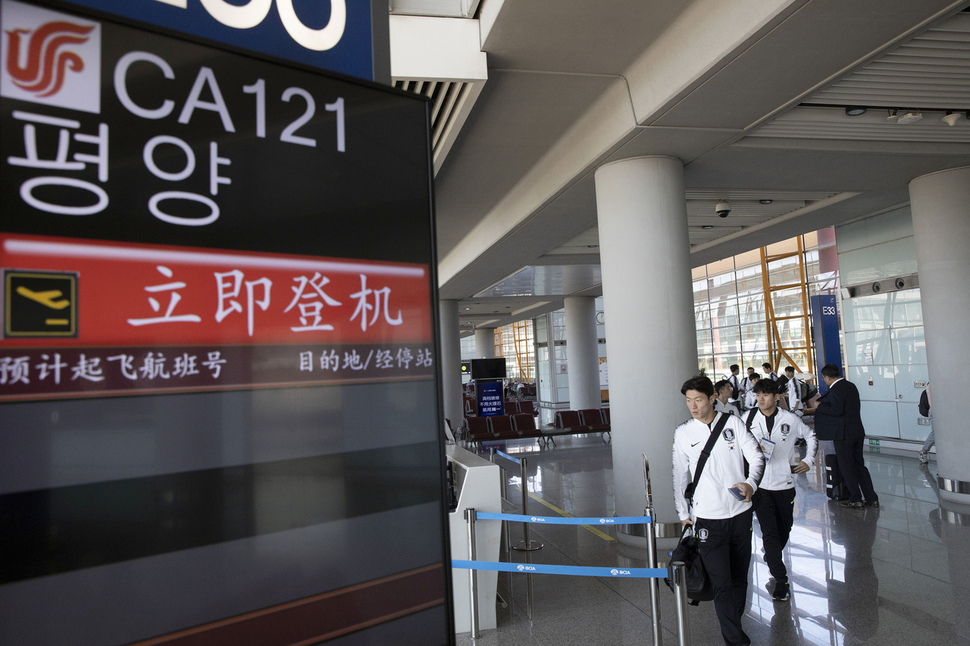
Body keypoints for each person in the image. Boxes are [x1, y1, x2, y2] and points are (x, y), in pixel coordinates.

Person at [673, 376, 765, 646]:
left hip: (740, 514)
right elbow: (680, 475)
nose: (693, 405)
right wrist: (682, 512)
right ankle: (736, 641)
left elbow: (757, 457)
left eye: (698, 399)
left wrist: (750, 484)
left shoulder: (733, 423)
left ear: (712, 397)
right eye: (688, 400)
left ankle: (732, 627)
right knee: (722, 582)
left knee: (739, 578)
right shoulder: (683, 432)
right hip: (707, 520)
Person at [745, 379, 817, 602]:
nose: (761, 399)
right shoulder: (747, 419)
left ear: (777, 397)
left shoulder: (790, 419)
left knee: (784, 528)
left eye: (766, 395)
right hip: (759, 485)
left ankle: (771, 554)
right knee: (770, 532)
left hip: (785, 484)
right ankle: (781, 580)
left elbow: (811, 436)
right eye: (758, 395)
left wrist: (809, 460)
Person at [813, 364, 878, 509]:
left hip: (843, 434)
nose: (825, 381)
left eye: (824, 379)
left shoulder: (836, 389)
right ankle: (872, 498)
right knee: (859, 465)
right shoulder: (851, 386)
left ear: (827, 377)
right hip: (857, 432)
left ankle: (856, 499)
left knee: (847, 467)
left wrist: (819, 406)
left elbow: (836, 410)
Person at [917, 383, 933, 464]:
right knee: (935, 433)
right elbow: (932, 404)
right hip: (934, 412)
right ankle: (923, 451)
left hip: (943, 412)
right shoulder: (930, 386)